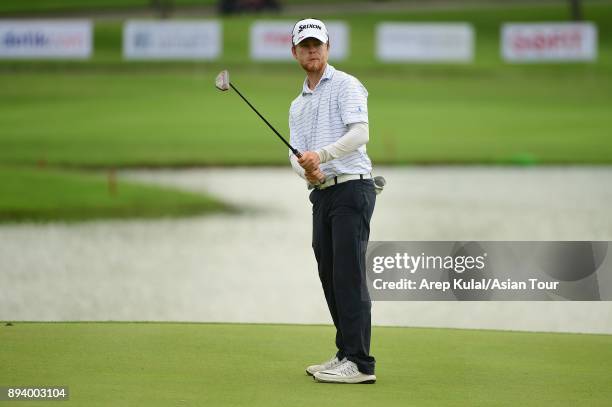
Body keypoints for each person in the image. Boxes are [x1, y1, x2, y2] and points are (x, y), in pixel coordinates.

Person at [288, 18, 377, 384]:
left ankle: (360, 362)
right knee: (329, 274)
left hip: (352, 189)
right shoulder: (297, 104)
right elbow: (295, 155)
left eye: (317, 44)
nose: (312, 50)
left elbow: (360, 133)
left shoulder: (346, 85)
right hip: (323, 195)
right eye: (305, 45)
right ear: (295, 52)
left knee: (348, 275)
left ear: (328, 48)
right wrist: (306, 170)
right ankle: (345, 351)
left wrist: (320, 157)